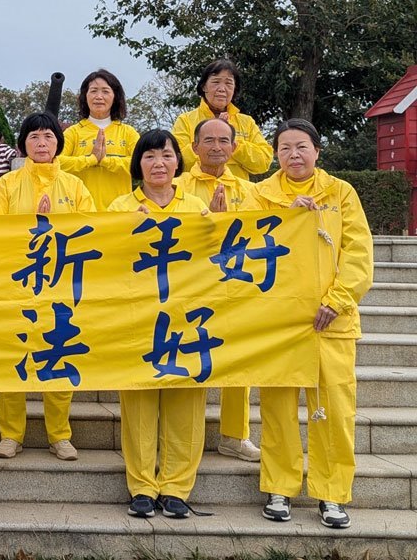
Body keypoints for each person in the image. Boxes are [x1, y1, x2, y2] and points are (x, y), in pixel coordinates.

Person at [254, 119, 373, 530]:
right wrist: (286, 218)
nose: (294, 155)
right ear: (275, 154)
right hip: (279, 321)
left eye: (301, 147)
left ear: (317, 151)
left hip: (330, 321)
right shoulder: (260, 195)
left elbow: (358, 255)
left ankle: (332, 494)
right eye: (285, 148)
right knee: (278, 409)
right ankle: (279, 488)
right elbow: (243, 244)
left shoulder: (340, 193)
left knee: (335, 410)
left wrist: (337, 301)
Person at [107, 129, 209, 519]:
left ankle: (177, 488)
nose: (158, 164)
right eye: (149, 156)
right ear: (138, 164)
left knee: (186, 404)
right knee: (138, 405)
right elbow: (103, 257)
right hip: (138, 319)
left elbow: (213, 254)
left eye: (166, 155)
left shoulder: (196, 206)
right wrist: (124, 228)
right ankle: (142, 487)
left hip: (186, 320)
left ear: (178, 161)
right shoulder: (120, 206)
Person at [0, 112, 94, 462]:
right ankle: (10, 433)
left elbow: (90, 231)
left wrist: (53, 224)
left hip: (60, 283)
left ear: (58, 143)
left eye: (48, 136)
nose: (42, 143)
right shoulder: (7, 184)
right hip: (18, 282)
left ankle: (59, 435)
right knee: (16, 357)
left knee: (57, 354)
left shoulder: (75, 186)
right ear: (23, 145)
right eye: (34, 137)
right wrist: (32, 221)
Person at [173, 117, 261, 463]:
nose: (216, 147)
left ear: (234, 148)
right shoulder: (177, 185)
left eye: (224, 141)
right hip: (188, 286)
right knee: (185, 355)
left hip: (233, 287)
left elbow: (262, 234)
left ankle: (234, 435)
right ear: (194, 147)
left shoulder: (250, 191)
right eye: (208, 141)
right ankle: (181, 436)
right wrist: (210, 224)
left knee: (238, 361)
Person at [171, 59, 273, 179]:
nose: (222, 89)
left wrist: (233, 143)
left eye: (229, 83)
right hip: (195, 189)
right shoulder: (185, 120)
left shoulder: (247, 122)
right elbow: (176, 162)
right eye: (216, 82)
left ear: (234, 89)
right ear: (204, 87)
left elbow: (264, 162)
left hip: (236, 190)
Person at [59, 69, 140, 210]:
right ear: (85, 96)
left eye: (105, 91)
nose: (99, 96)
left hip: (120, 212)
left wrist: (105, 161)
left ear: (115, 96)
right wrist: (90, 160)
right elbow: (57, 162)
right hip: (81, 212)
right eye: (93, 91)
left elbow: (140, 164)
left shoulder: (128, 133)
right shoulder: (73, 133)